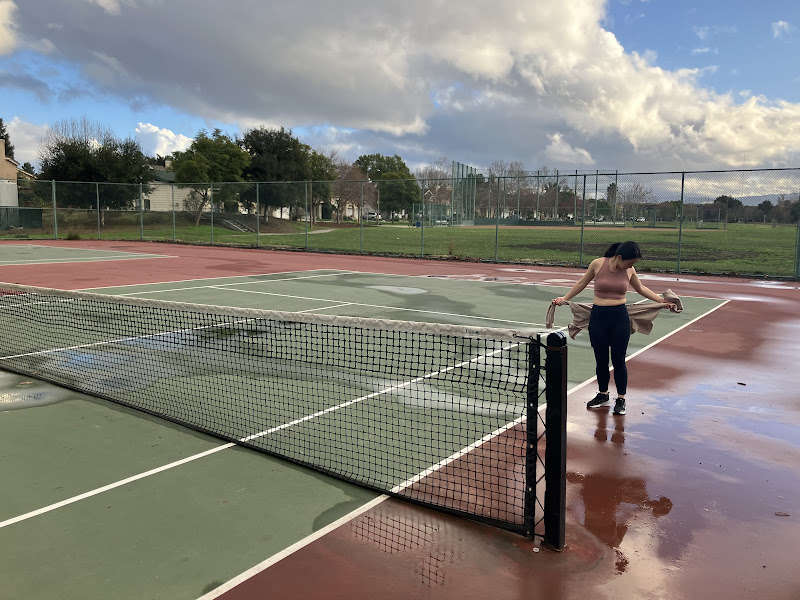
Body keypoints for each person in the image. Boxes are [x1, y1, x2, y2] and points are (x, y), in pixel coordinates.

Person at [551, 241, 675, 416]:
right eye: (630, 262)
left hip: (620, 318)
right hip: (598, 318)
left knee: (618, 359)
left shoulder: (629, 270)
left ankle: (621, 398)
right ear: (619, 257)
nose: (631, 266)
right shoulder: (597, 264)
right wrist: (564, 298)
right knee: (601, 359)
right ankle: (603, 395)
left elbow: (641, 288)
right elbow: (581, 283)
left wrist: (661, 300)